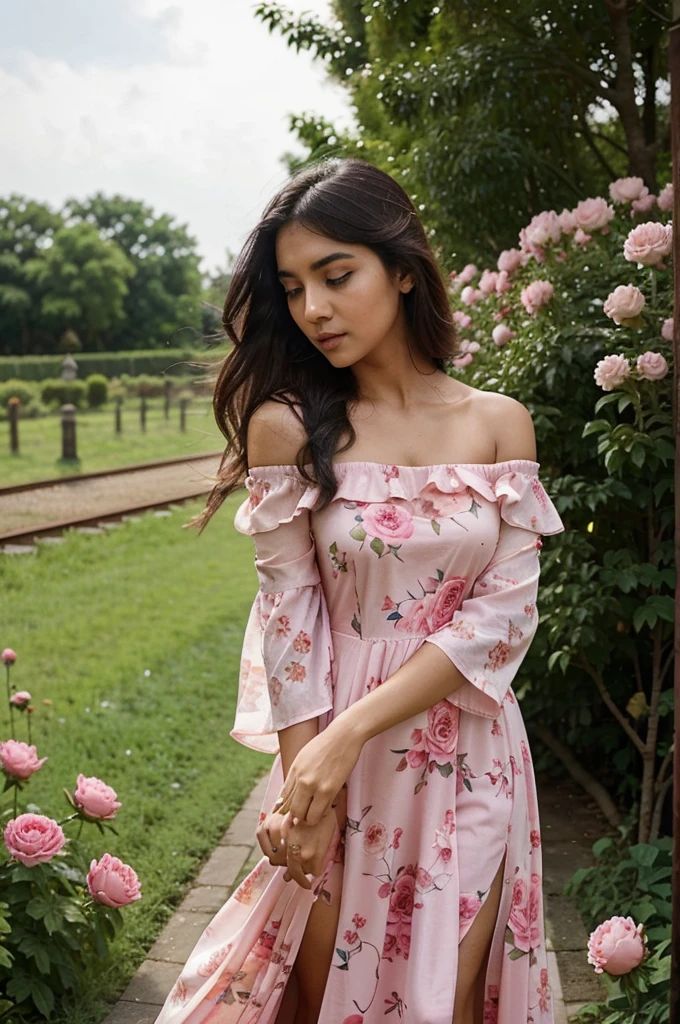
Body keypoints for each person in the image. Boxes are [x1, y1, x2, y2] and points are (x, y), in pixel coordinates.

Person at [154, 157, 564, 1024]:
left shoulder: (498, 422)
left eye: (336, 276)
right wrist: (309, 780)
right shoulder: (288, 428)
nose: (314, 310)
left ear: (404, 269)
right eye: (295, 287)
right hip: (327, 762)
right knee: (322, 998)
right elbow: (290, 619)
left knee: (443, 1005)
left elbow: (505, 616)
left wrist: (349, 733)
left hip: (469, 756)